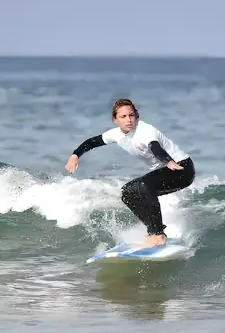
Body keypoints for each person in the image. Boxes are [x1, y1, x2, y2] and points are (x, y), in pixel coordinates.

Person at [65, 98, 195, 248]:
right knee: (127, 192)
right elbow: (92, 142)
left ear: (136, 116)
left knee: (144, 186)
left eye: (131, 115)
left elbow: (155, 147)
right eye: (123, 116)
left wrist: (169, 161)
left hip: (181, 169)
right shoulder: (115, 134)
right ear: (115, 120)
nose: (128, 120)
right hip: (164, 170)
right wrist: (75, 155)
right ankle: (153, 231)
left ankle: (157, 233)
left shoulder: (145, 131)